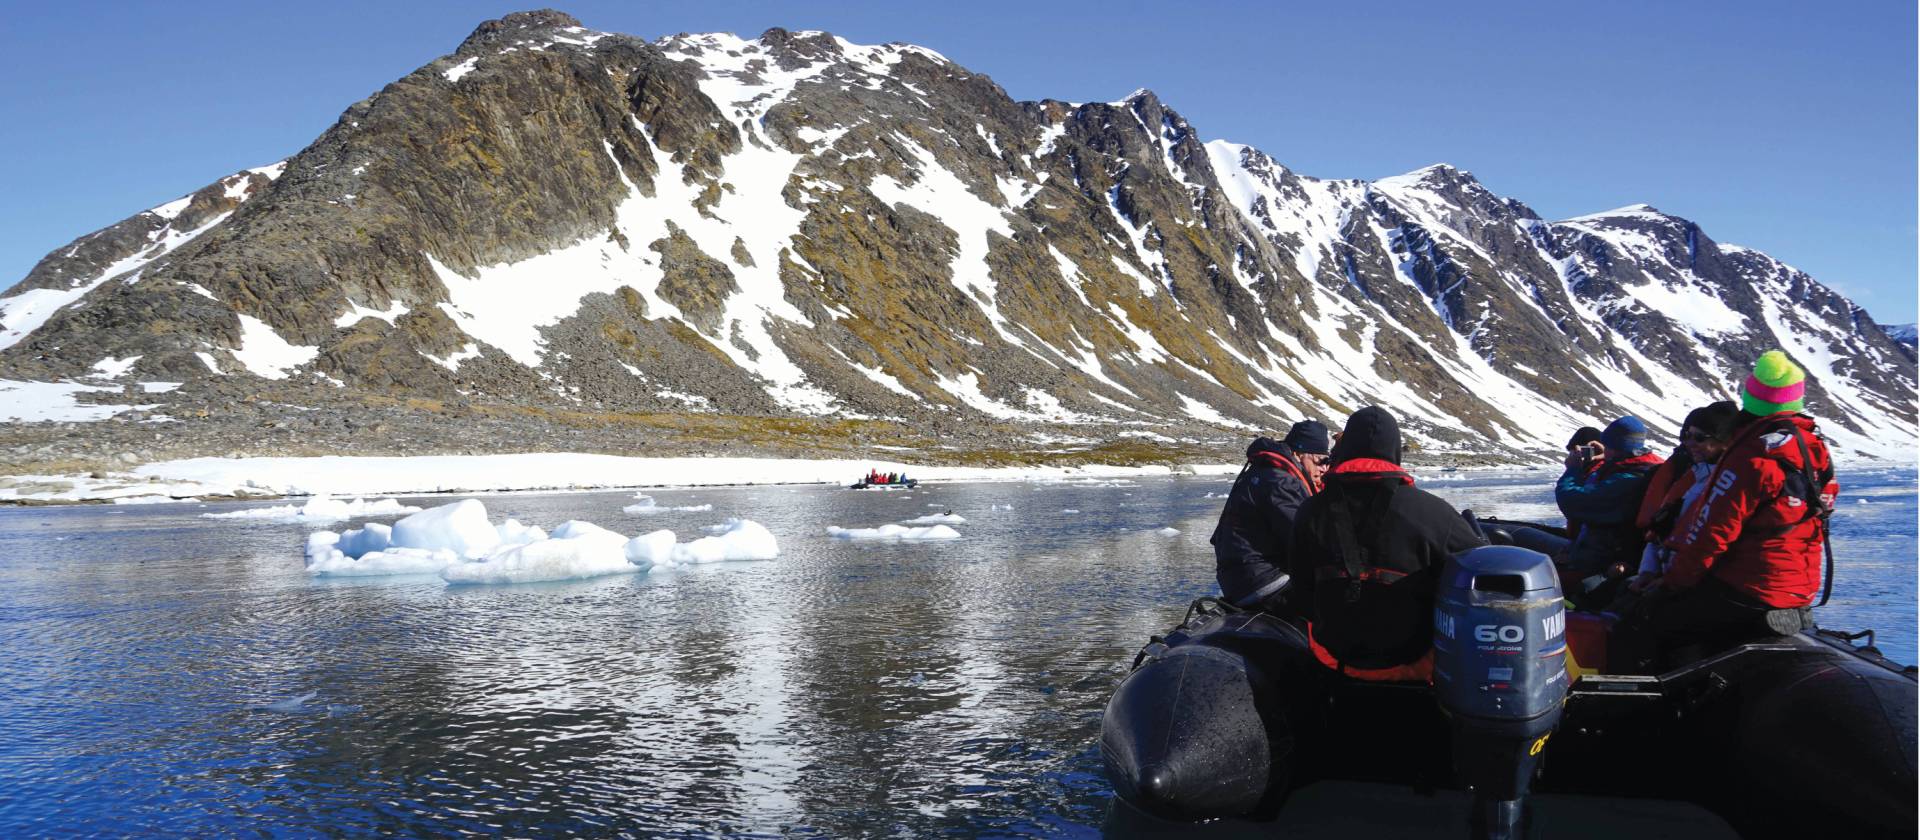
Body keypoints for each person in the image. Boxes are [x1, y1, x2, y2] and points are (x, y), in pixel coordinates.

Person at [1612, 351, 1838, 673]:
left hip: (1750, 587)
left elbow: (1712, 534)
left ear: (1753, 399)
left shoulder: (1751, 457)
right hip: (1800, 587)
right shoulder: (1813, 450)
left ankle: (1629, 716)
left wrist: (1669, 584)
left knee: (1641, 620)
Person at [1287, 407, 1487, 679]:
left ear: (1345, 450)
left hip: (1333, 657)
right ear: (1394, 450)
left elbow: (1302, 596)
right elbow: (1482, 571)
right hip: (1413, 662)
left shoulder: (1310, 511)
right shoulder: (1433, 512)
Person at [1211, 420, 1332, 612]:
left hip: (1242, 578)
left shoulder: (1267, 473)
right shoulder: (1280, 482)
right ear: (1298, 454)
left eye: (1328, 462)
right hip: (1262, 582)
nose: (1325, 468)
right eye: (1321, 460)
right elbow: (1307, 541)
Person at [1627, 401, 1738, 592]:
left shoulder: (1727, 484)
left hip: (1687, 583)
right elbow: (1661, 530)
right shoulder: (1694, 477)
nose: (1689, 443)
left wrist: (1669, 581)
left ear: (1724, 441)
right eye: (1687, 436)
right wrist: (1647, 571)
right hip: (1665, 574)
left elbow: (1709, 544)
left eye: (1700, 438)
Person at [1554, 416, 1664, 604]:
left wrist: (1572, 470)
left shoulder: (1628, 479)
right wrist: (1606, 457)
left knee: (1553, 582)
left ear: (1616, 447)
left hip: (1607, 560)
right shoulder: (1645, 467)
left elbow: (1572, 501)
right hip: (1614, 554)